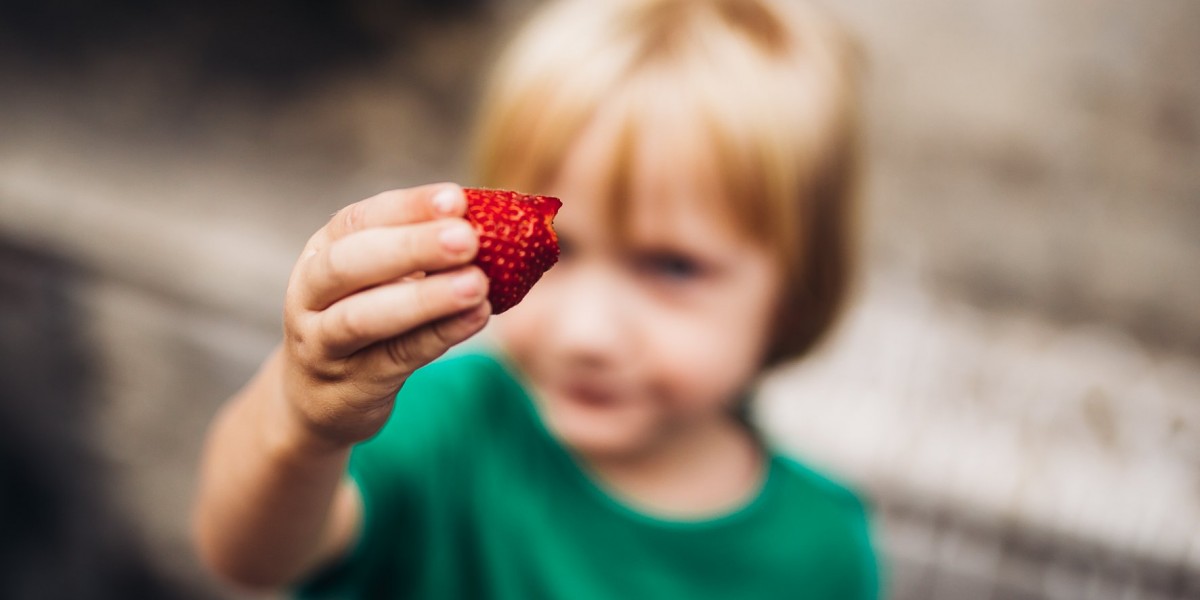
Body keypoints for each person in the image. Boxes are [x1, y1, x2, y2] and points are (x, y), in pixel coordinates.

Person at [192, 0, 881, 597]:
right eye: (555, 247)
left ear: (791, 296)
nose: (586, 332)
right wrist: (303, 421)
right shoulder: (447, 427)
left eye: (673, 267)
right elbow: (247, 553)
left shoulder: (822, 551)